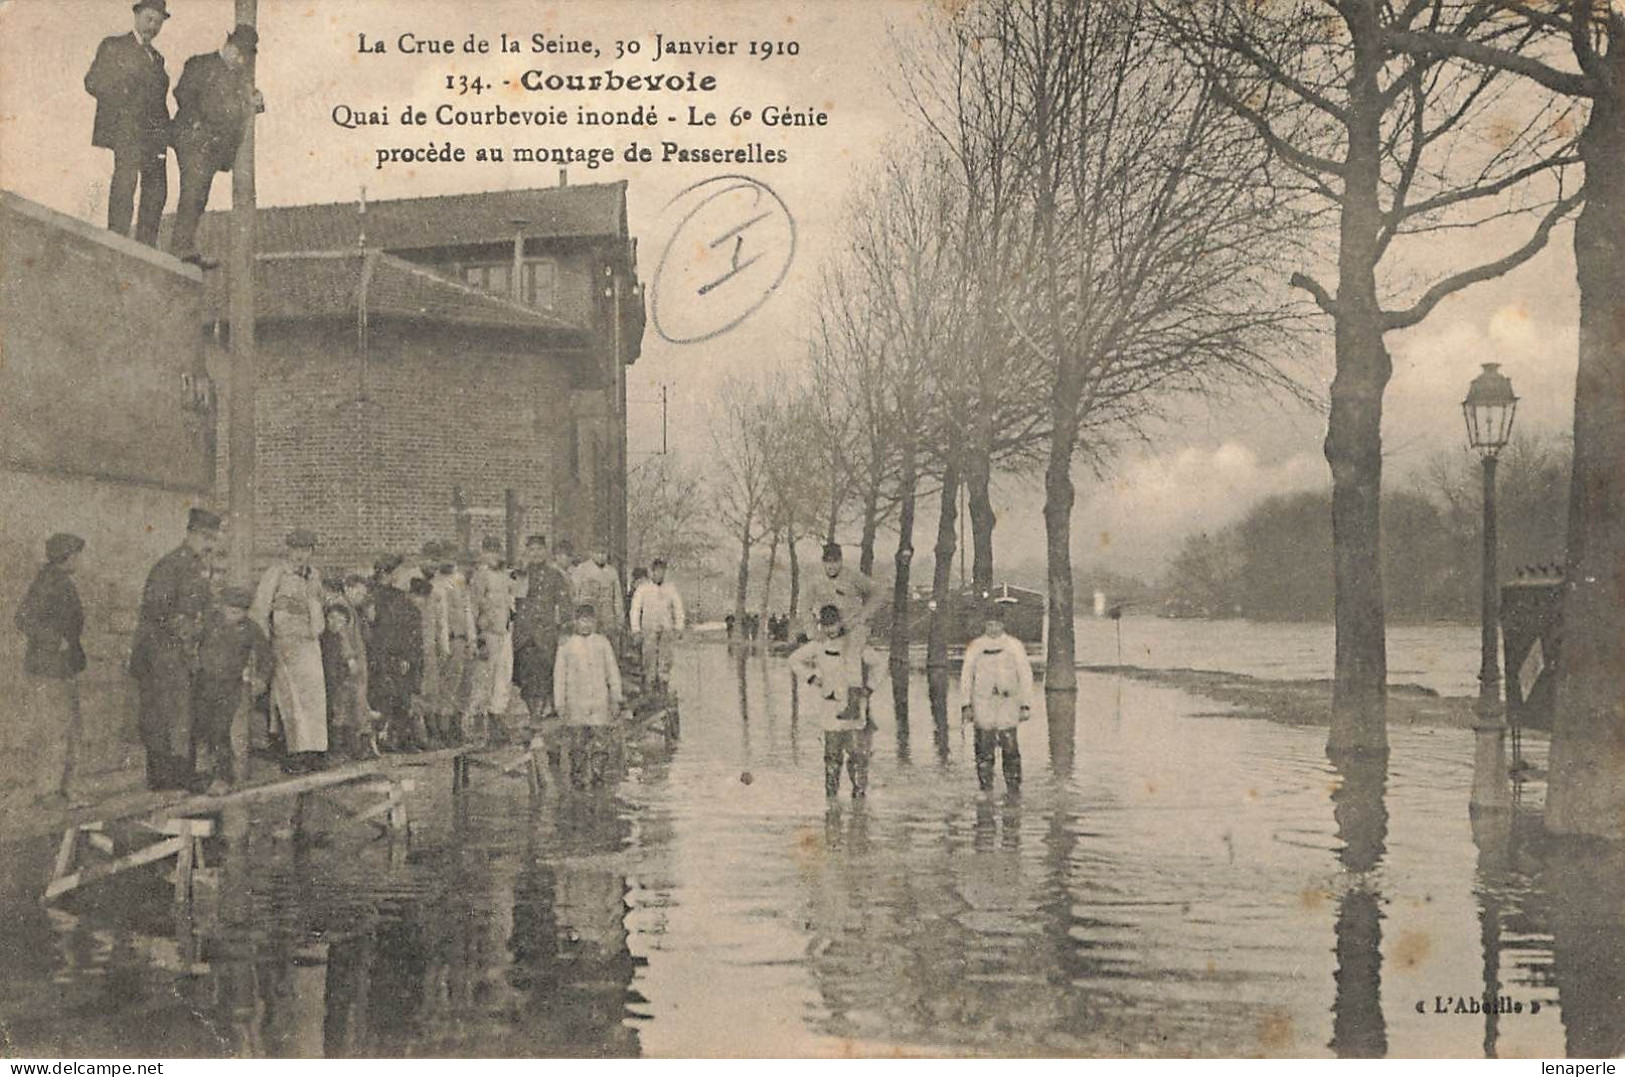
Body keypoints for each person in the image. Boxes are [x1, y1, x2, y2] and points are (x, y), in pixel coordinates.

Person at [130, 507, 219, 791]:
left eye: (213, 538)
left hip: (181, 650)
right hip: (161, 650)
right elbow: (157, 610)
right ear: (190, 534)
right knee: (166, 714)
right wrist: (185, 632)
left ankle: (180, 773)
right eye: (205, 537)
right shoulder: (170, 565)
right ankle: (166, 776)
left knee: (183, 713)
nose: (209, 543)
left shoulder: (198, 567)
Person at [169, 24, 264, 269]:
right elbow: (183, 94)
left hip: (213, 148)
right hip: (192, 138)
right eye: (239, 54)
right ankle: (180, 247)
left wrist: (256, 102)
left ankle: (185, 246)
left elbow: (239, 112)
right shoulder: (200, 64)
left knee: (200, 193)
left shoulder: (238, 80)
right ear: (229, 47)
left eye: (246, 57)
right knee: (193, 188)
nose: (241, 61)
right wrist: (199, 124)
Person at [84, 0, 171, 247]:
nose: (152, 27)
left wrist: (168, 132)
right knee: (126, 180)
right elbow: (92, 81)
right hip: (127, 128)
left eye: (158, 22)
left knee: (157, 188)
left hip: (154, 134)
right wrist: (123, 95)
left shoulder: (157, 59)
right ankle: (117, 238)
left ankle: (146, 246)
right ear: (137, 16)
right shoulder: (114, 46)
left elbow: (159, 101)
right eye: (149, 19)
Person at [13, 533, 88, 806]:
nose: (80, 560)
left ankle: (65, 789)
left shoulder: (61, 581)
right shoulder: (48, 582)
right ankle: (48, 792)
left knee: (69, 729)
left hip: (62, 669)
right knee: (54, 730)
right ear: (66, 556)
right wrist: (54, 640)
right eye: (77, 554)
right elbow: (23, 618)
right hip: (48, 670)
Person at [250, 529, 328, 773]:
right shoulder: (276, 573)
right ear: (288, 550)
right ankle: (294, 753)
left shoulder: (314, 576)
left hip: (309, 644)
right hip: (284, 645)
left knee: (314, 699)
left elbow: (317, 610)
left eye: (305, 550)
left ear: (311, 552)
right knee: (289, 699)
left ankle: (314, 751)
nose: (300, 556)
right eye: (295, 550)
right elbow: (260, 610)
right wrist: (264, 644)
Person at [790, 604, 881, 799]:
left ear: (840, 623)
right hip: (830, 707)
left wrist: (869, 688)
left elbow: (879, 663)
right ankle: (831, 802)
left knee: (857, 755)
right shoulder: (819, 645)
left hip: (854, 705)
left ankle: (859, 800)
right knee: (831, 756)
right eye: (826, 625)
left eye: (833, 625)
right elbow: (794, 659)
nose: (830, 630)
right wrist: (812, 678)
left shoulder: (856, 644)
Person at [191, 584, 268, 794]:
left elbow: (266, 656)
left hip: (234, 685)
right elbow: (190, 642)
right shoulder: (209, 622)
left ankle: (238, 779)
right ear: (222, 607)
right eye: (232, 610)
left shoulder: (251, 629)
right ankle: (203, 777)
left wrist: (260, 679)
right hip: (206, 684)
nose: (236, 615)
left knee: (236, 734)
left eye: (240, 612)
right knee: (205, 731)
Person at [959, 605, 1035, 794]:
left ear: (1003, 625)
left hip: (1008, 702)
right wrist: (966, 704)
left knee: (1010, 748)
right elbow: (966, 675)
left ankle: (1013, 789)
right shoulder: (976, 645)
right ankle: (986, 788)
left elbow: (1025, 675)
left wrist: (1025, 705)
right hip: (983, 702)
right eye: (989, 624)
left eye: (996, 625)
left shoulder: (1014, 645)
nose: (993, 629)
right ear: (985, 625)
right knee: (984, 748)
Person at [553, 603, 624, 790]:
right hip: (575, 704)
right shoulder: (567, 645)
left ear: (595, 622)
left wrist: (616, 697)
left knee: (601, 742)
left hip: (599, 702)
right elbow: (559, 677)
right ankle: (577, 779)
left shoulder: (602, 643)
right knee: (577, 744)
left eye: (589, 621)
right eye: (582, 621)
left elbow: (612, 672)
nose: (586, 625)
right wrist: (559, 703)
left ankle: (597, 776)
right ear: (575, 622)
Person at [368, 555, 426, 751]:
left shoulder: (398, 597)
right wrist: (396, 657)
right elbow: (383, 631)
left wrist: (406, 657)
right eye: (394, 572)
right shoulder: (375, 596)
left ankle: (400, 738)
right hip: (384, 655)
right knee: (385, 697)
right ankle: (382, 739)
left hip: (401, 655)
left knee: (403, 697)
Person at [513, 535, 568, 721]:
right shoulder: (520, 574)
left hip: (545, 634)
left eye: (539, 549)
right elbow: (512, 602)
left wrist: (563, 630)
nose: (535, 553)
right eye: (532, 550)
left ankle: (540, 713)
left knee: (545, 674)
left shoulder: (555, 575)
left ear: (545, 551)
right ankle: (532, 714)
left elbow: (564, 604)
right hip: (524, 634)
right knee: (526, 675)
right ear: (527, 552)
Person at [469, 536, 516, 743]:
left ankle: (497, 723)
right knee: (483, 681)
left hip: (504, 633)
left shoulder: (506, 576)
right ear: (483, 554)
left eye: (497, 551)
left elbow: (511, 603)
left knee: (502, 680)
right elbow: (472, 608)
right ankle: (479, 727)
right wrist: (478, 639)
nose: (494, 556)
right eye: (489, 552)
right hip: (487, 634)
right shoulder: (480, 576)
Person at [320, 603, 374, 760]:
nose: (335, 623)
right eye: (332, 618)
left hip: (337, 682)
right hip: (327, 682)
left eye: (341, 622)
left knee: (342, 712)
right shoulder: (323, 638)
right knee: (336, 714)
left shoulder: (339, 638)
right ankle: (335, 750)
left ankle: (344, 749)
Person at [629, 559, 685, 696]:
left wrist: (679, 626)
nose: (660, 574)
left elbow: (678, 608)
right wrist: (636, 630)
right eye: (657, 571)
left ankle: (663, 686)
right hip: (649, 628)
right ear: (652, 572)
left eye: (662, 571)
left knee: (665, 658)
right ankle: (650, 687)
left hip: (666, 628)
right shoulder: (643, 589)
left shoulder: (670, 589)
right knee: (649, 657)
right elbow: (635, 610)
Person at [570, 545, 625, 653]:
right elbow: (574, 594)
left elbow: (617, 597)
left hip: (607, 617)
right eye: (598, 553)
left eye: (604, 553)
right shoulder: (582, 569)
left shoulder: (612, 571)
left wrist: (619, 618)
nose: (601, 556)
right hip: (588, 615)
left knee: (608, 649)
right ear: (591, 553)